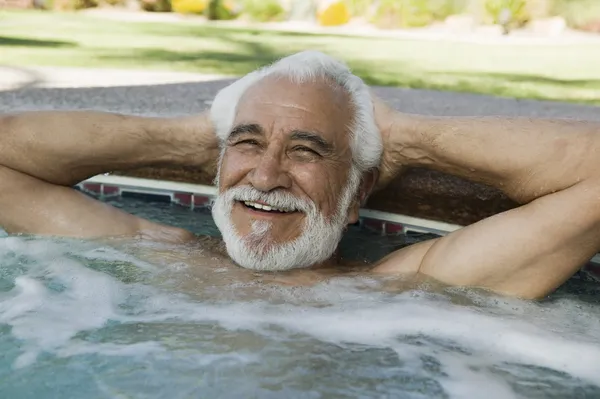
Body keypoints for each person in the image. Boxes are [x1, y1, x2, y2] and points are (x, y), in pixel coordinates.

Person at [1, 50, 599, 300]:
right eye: (248, 144)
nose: (265, 176)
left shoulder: (404, 286)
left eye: (306, 152)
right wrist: (197, 140)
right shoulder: (155, 251)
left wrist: (410, 136)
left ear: (359, 190)